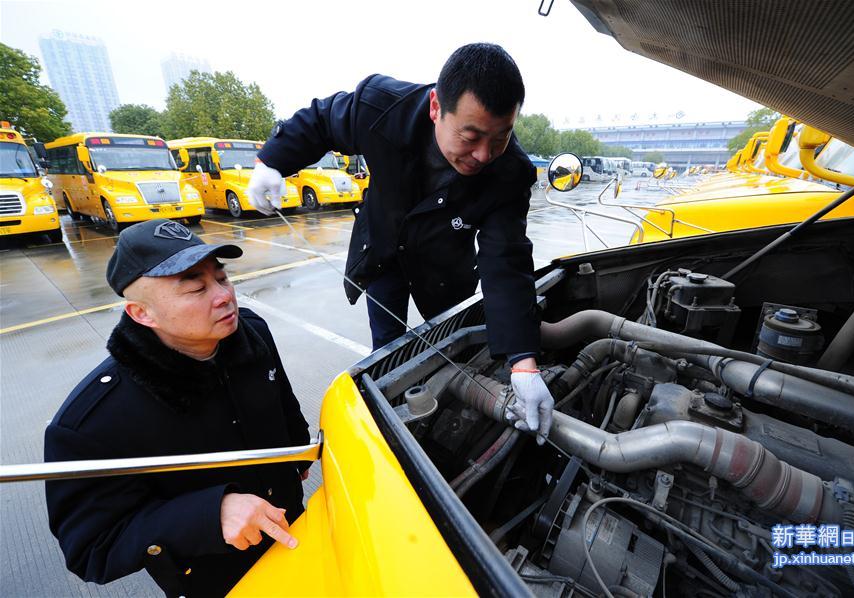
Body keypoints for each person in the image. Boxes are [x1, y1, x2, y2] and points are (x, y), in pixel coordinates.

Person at [247, 43, 554, 442]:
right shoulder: (381, 109)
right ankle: (394, 432)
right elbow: (322, 119)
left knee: (450, 350)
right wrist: (272, 160)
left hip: (445, 268)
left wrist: (523, 362)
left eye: (500, 138)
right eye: (471, 136)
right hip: (384, 254)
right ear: (434, 108)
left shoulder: (509, 173)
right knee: (389, 355)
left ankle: (444, 428)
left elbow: (506, 263)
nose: (483, 155)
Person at [44, 219, 312, 597]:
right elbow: (92, 548)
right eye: (196, 288)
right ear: (142, 314)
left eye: (222, 279)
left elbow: (282, 401)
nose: (223, 296)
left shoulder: (251, 333)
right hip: (221, 579)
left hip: (299, 536)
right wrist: (207, 515)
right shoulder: (93, 420)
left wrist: (298, 456)